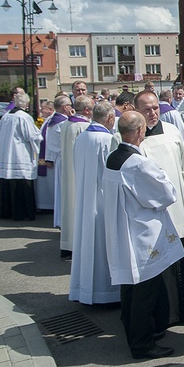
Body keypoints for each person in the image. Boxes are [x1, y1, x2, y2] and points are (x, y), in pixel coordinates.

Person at [102, 111, 184, 359]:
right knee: (145, 292)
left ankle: (131, 332)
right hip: (142, 236)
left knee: (130, 289)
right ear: (140, 131)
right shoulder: (138, 163)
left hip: (123, 231)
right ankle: (142, 344)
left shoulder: (112, 157)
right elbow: (166, 194)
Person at [130, 90, 184, 326]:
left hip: (177, 207)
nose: (152, 113)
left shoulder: (172, 132)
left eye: (155, 108)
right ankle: (164, 314)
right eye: (146, 109)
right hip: (151, 213)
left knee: (180, 259)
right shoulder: (131, 138)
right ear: (136, 111)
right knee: (158, 263)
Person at [69, 101, 119, 305]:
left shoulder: (81, 138)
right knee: (103, 244)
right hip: (102, 202)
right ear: (109, 119)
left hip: (84, 200)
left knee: (87, 244)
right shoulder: (108, 140)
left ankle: (85, 290)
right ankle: (107, 293)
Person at [0, 92, 42, 221]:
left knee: (8, 183)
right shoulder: (24, 117)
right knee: (21, 184)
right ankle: (23, 212)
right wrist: (40, 136)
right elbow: (32, 136)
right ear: (26, 104)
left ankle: (6, 211)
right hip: (19, 155)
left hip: (6, 155)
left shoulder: (6, 116)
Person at [59, 95, 94, 257]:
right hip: (80, 173)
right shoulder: (84, 126)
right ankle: (79, 246)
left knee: (69, 205)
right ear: (86, 110)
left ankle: (67, 243)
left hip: (67, 171)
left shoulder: (66, 123)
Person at [35, 97, 69, 213]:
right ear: (65, 107)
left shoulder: (52, 120)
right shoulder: (64, 122)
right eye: (70, 104)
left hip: (52, 156)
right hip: (60, 158)